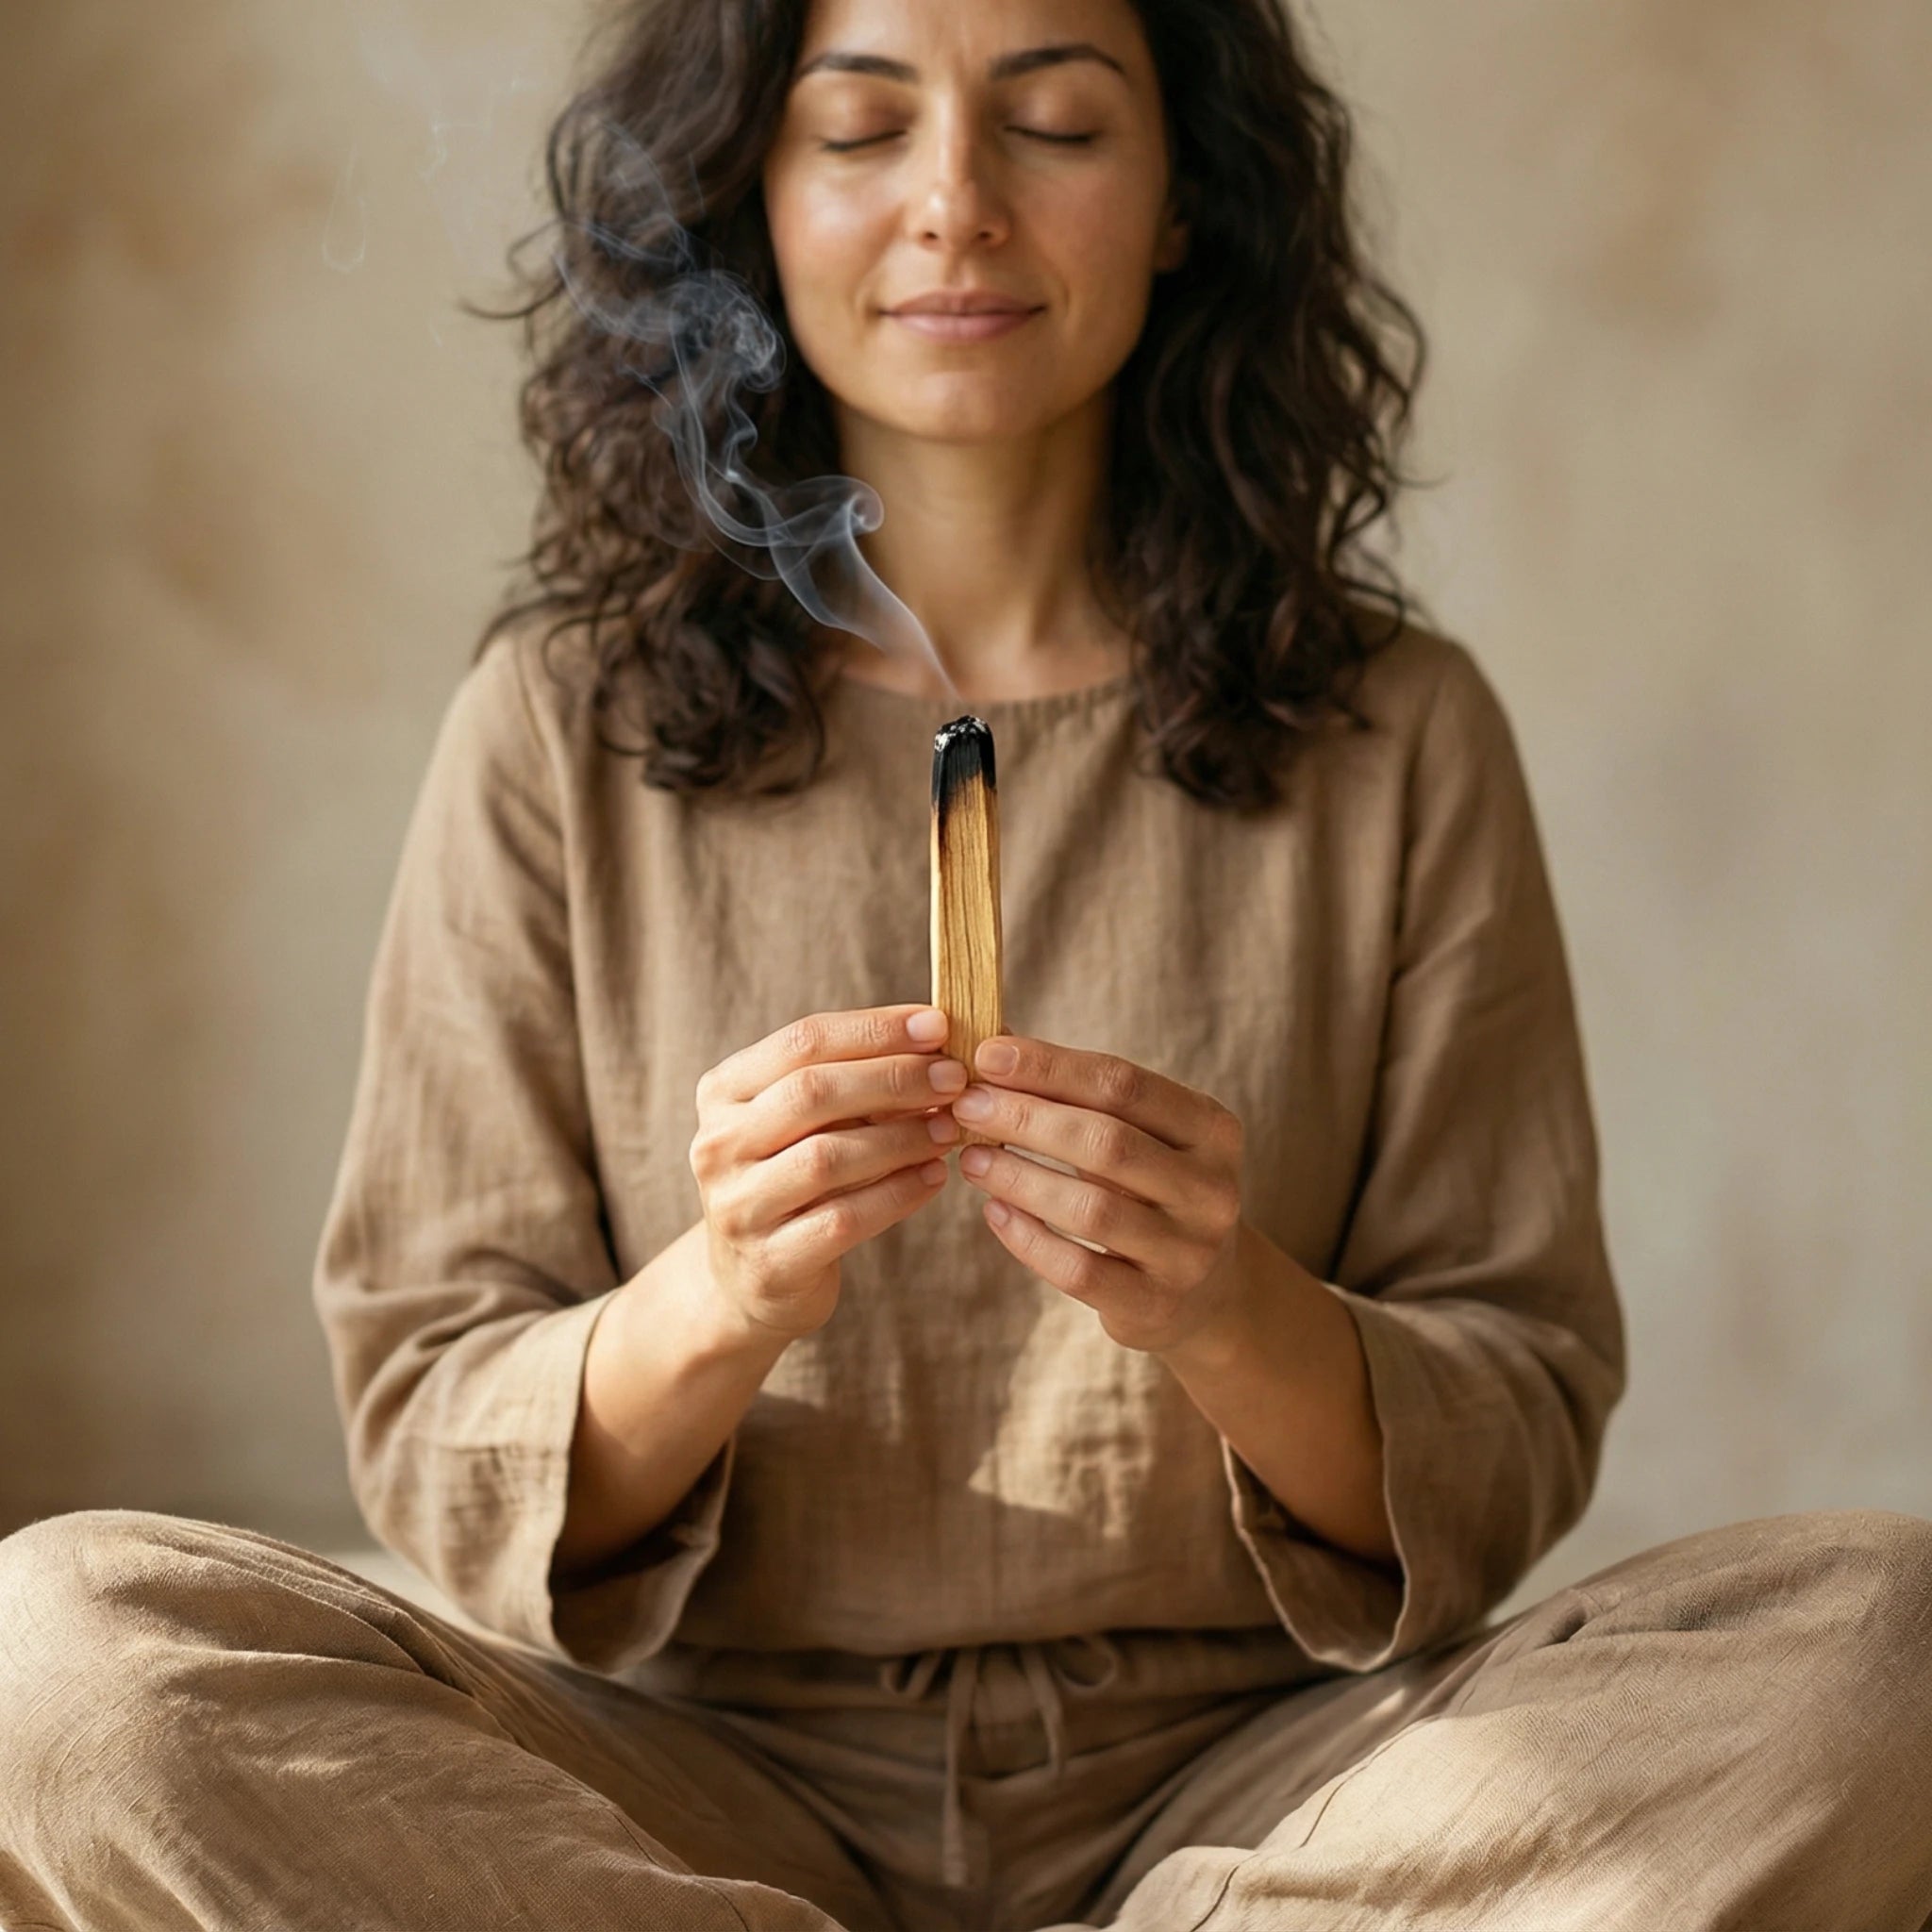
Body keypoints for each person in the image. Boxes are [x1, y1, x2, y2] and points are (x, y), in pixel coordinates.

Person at [3, 0, 1929, 1927]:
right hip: (692, 1790)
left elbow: (1511, 1413)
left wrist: (1223, 1305)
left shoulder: (1395, 731)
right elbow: (434, 1416)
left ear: (1183, 199)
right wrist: (724, 1287)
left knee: (1881, 1646)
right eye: (857, 129)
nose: (955, 205)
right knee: (60, 1663)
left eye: (1058, 125)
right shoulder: (553, 730)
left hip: (1286, 1788)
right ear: (750, 197)